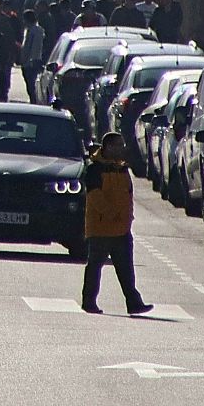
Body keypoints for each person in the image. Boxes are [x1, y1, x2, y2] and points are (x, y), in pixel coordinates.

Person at [81, 132, 152, 315]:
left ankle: (134, 302)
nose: (122, 148)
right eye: (118, 145)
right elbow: (95, 197)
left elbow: (127, 196)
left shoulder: (122, 168)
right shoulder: (94, 169)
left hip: (121, 229)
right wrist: (112, 214)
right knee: (95, 266)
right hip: (101, 228)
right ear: (108, 147)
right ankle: (89, 301)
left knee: (126, 269)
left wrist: (127, 217)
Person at [19, 9, 46, 104]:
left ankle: (34, 101)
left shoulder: (37, 31)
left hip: (34, 62)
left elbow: (36, 48)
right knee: (29, 84)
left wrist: (32, 60)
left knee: (32, 84)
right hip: (26, 62)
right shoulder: (27, 30)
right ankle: (32, 99)